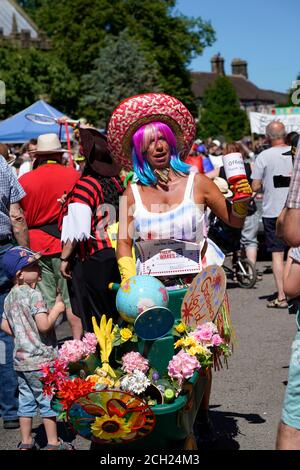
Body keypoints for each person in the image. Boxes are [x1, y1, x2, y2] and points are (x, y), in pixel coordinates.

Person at [107, 93, 252, 440]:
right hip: (150, 291)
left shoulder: (197, 182)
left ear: (172, 143)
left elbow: (232, 220)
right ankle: (165, 419)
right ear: (139, 150)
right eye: (149, 141)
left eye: (162, 139)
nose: (157, 145)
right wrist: (131, 284)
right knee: (157, 355)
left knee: (198, 355)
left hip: (198, 287)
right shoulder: (132, 194)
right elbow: (124, 242)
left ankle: (201, 415)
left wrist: (244, 203)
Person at [0, 246, 73, 450]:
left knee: (25, 400)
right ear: (20, 274)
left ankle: (26, 442)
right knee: (47, 399)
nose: (38, 267)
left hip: (21, 361)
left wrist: (22, 335)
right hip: (41, 361)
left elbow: (4, 324)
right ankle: (52, 442)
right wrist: (58, 309)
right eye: (32, 265)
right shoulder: (34, 296)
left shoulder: (9, 298)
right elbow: (44, 325)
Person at [59, 127, 124, 332]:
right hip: (117, 252)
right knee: (116, 312)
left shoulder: (86, 185)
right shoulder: (115, 182)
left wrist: (64, 258)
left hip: (94, 257)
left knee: (98, 317)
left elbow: (78, 228)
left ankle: (105, 359)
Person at [19, 134, 83, 339]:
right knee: (71, 299)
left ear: (38, 156)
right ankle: (79, 348)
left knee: (45, 302)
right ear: (58, 154)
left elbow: (20, 216)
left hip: (36, 245)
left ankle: (51, 352)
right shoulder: (74, 175)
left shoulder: (25, 180)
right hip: (67, 243)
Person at [0, 157, 29, 430]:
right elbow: (16, 216)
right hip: (2, 250)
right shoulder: (0, 164)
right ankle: (10, 409)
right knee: (5, 330)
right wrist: (26, 256)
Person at [252, 121, 292, 308]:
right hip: (295, 209)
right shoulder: (295, 152)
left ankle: (282, 296)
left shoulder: (263, 156)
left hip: (273, 210)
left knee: (277, 255)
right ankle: (295, 292)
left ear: (267, 136)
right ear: (285, 134)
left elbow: (255, 185)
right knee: (294, 253)